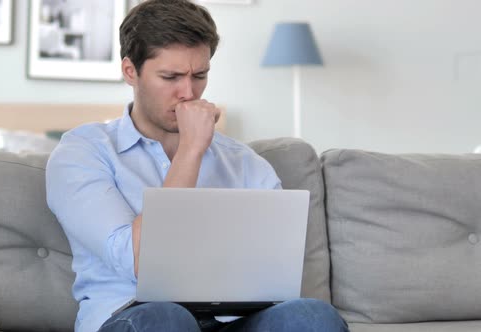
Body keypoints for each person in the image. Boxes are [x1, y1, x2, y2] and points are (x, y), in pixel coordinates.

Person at [46, 0, 349, 331]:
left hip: (231, 322)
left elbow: (275, 278)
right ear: (130, 71)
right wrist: (191, 150)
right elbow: (140, 263)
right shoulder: (84, 152)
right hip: (135, 318)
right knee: (165, 316)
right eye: (171, 77)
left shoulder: (245, 163)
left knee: (312, 316)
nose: (188, 93)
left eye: (199, 76)